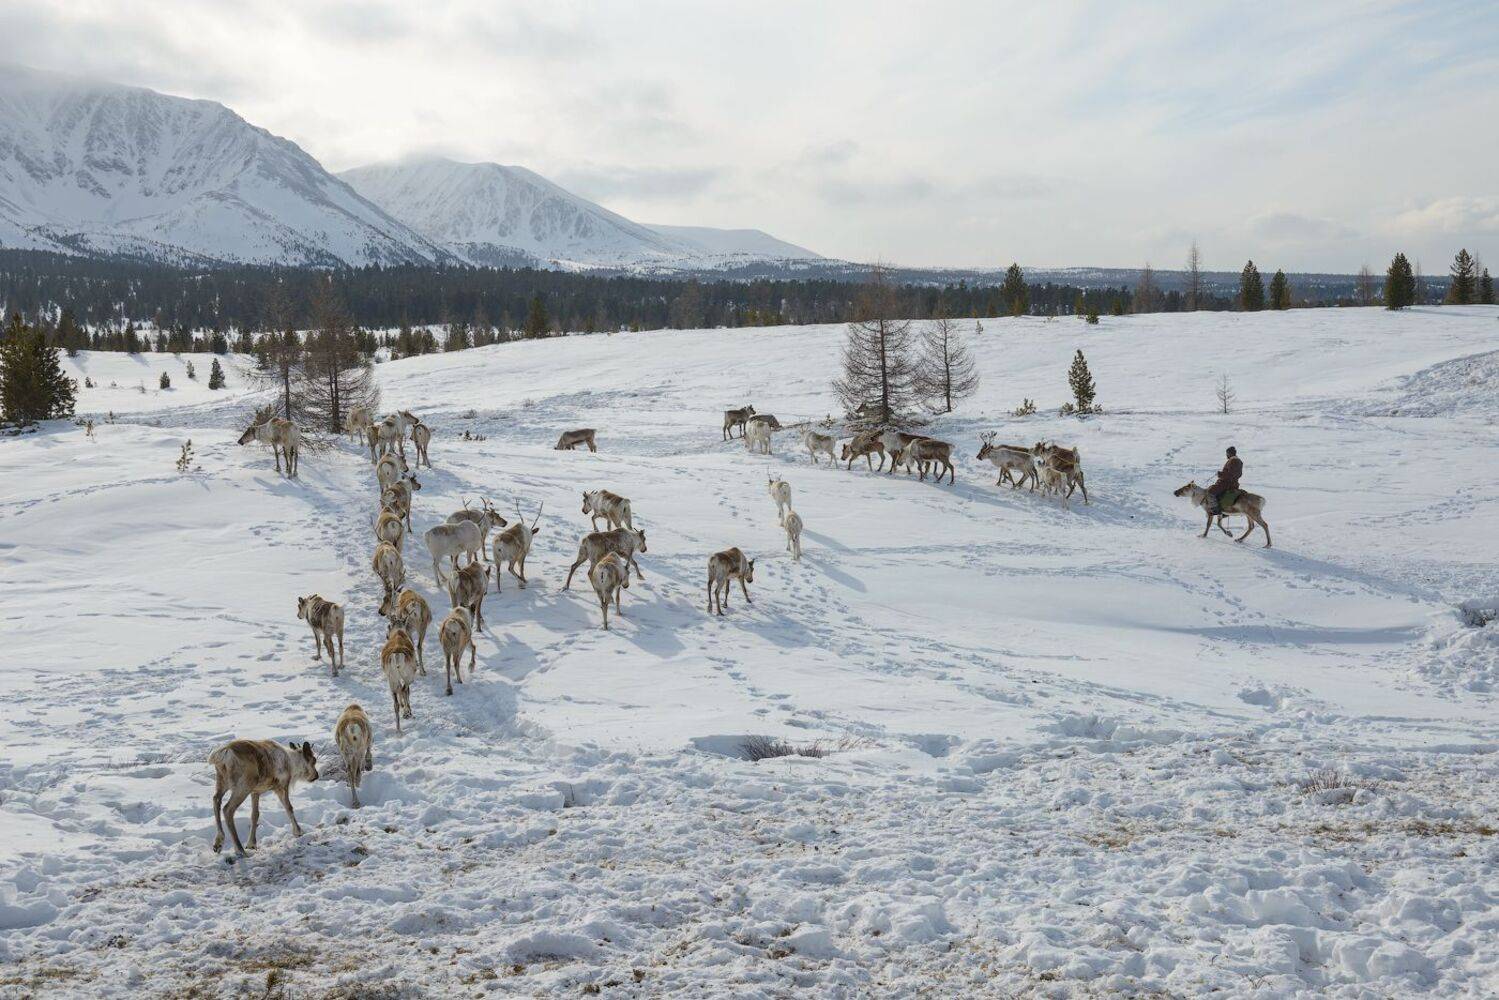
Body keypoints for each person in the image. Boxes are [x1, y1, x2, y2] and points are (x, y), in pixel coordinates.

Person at [1205, 446, 1242, 514]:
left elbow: (1230, 475)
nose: (1226, 455)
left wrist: (1220, 474)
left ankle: (1216, 510)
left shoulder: (1233, 460)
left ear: (1229, 453)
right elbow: (1238, 474)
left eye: (1227, 453)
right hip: (1232, 483)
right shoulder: (1239, 460)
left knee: (1210, 492)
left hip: (1227, 483)